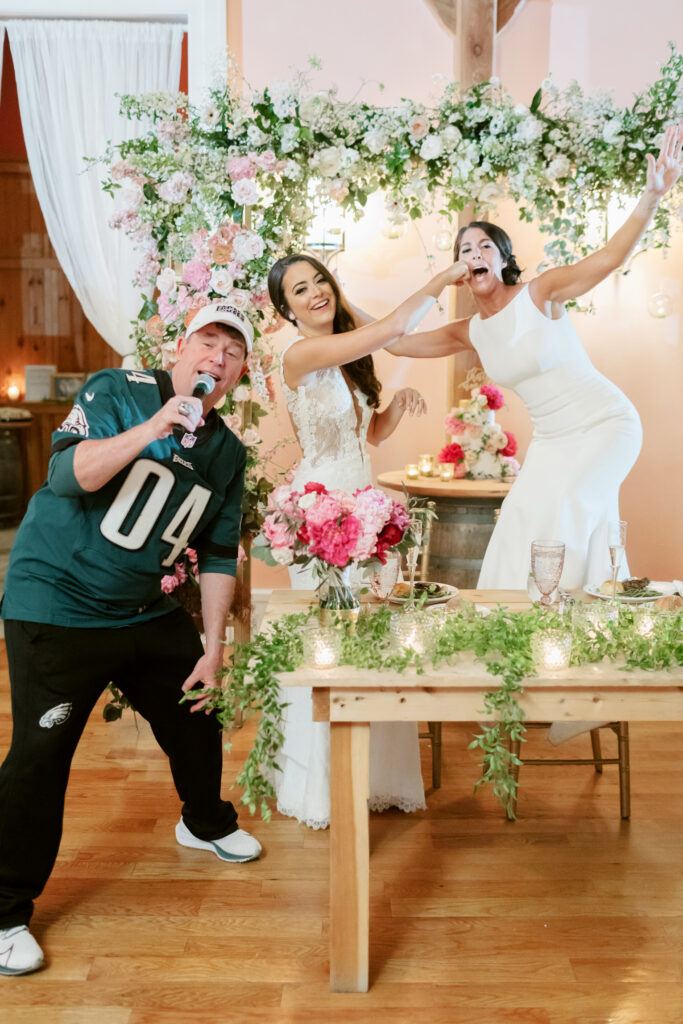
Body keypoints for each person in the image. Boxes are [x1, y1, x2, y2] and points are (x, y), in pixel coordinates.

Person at [0, 302, 262, 976]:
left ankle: (203, 821)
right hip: (55, 604)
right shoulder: (118, 391)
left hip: (141, 610)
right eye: (209, 341)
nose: (218, 358)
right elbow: (68, 476)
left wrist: (212, 647)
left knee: (197, 713)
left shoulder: (227, 450)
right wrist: (154, 425)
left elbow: (219, 551)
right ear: (181, 347)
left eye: (233, 352)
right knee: (40, 756)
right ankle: (2, 912)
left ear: (240, 373)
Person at [388, 123, 683, 592]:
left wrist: (652, 196)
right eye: (466, 249)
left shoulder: (540, 293)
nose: (475, 252)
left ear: (503, 259)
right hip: (552, 441)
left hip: (606, 423)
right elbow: (396, 339)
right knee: (519, 521)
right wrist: (340, 313)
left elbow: (608, 259)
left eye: (486, 245)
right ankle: (515, 622)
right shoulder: (472, 331)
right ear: (460, 271)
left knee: (568, 511)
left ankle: (563, 618)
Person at [267, 253, 463, 828]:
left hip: (365, 504)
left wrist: (395, 408)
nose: (315, 294)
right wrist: (440, 280)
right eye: (299, 290)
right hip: (322, 512)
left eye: (319, 282)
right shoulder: (299, 355)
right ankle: (320, 787)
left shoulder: (350, 357)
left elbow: (366, 434)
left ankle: (376, 778)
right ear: (286, 309)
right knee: (329, 642)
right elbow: (395, 330)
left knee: (374, 634)